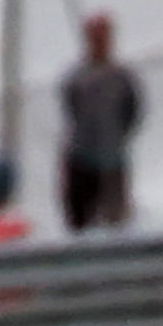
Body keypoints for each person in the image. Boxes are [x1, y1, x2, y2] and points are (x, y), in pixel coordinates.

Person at [58, 13, 142, 232]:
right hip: (82, 160)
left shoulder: (122, 78)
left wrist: (117, 139)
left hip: (112, 161)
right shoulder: (76, 78)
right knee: (80, 223)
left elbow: (133, 112)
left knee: (115, 222)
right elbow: (71, 110)